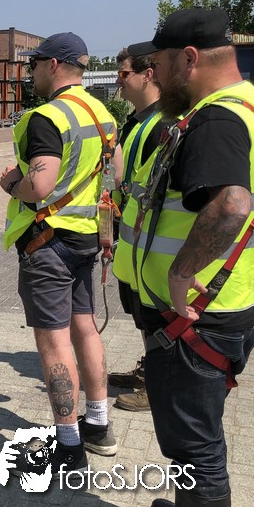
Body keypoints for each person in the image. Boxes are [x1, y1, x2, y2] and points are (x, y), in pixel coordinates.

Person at [119, 8, 254, 507]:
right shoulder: (252, 106)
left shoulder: (216, 117)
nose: (156, 75)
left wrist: (182, 271)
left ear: (189, 58)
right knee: (198, 433)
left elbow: (231, 204)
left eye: (161, 64)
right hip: (226, 305)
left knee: (195, 443)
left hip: (198, 316)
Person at [0, 32, 122, 472]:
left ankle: (69, 445)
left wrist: (11, 183)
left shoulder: (46, 117)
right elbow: (115, 177)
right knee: (84, 328)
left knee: (54, 341)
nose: (31, 72)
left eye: (34, 64)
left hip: (47, 242)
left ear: (53, 65)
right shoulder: (103, 115)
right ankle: (98, 425)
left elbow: (40, 185)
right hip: (86, 238)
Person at [107, 47, 165, 413]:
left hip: (150, 239)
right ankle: (151, 370)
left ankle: (157, 384)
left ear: (148, 74)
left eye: (124, 73)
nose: (119, 81)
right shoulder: (137, 121)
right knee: (141, 311)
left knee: (154, 311)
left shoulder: (162, 123)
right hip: (131, 232)